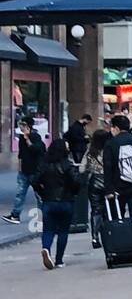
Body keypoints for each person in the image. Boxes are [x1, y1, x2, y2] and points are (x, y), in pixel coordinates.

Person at [33, 139, 80, 270]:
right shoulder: (67, 165)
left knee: (48, 230)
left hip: (49, 201)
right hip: (66, 201)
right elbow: (76, 182)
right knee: (63, 231)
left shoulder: (44, 165)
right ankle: (59, 260)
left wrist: (42, 193)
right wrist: (73, 192)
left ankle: (46, 248)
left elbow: (34, 181)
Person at [3, 116, 45, 224]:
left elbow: (37, 150)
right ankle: (15, 215)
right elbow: (21, 154)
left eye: (22, 125)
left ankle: (43, 217)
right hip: (24, 172)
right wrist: (19, 167)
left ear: (27, 126)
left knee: (39, 195)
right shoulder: (21, 138)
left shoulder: (36, 136)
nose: (20, 127)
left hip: (35, 172)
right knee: (20, 193)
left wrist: (27, 139)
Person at [81, 127, 110, 249]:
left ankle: (94, 236)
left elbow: (81, 168)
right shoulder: (109, 150)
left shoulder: (90, 151)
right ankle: (109, 234)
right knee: (109, 209)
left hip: (94, 182)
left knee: (96, 209)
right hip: (108, 181)